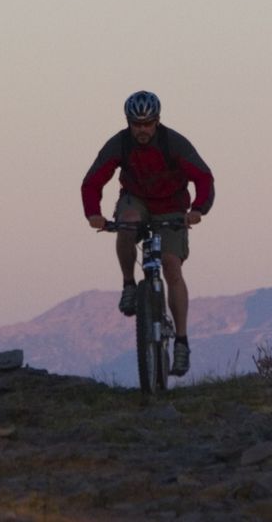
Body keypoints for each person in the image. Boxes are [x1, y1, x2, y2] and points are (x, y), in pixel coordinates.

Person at [82, 90, 215, 377]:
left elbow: (204, 177)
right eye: (136, 124)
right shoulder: (120, 144)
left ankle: (181, 341)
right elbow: (92, 181)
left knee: (171, 265)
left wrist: (198, 209)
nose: (142, 130)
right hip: (137, 200)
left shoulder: (174, 143)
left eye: (147, 124)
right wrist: (94, 213)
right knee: (127, 222)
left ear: (157, 121)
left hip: (172, 206)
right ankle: (130, 285)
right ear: (129, 122)